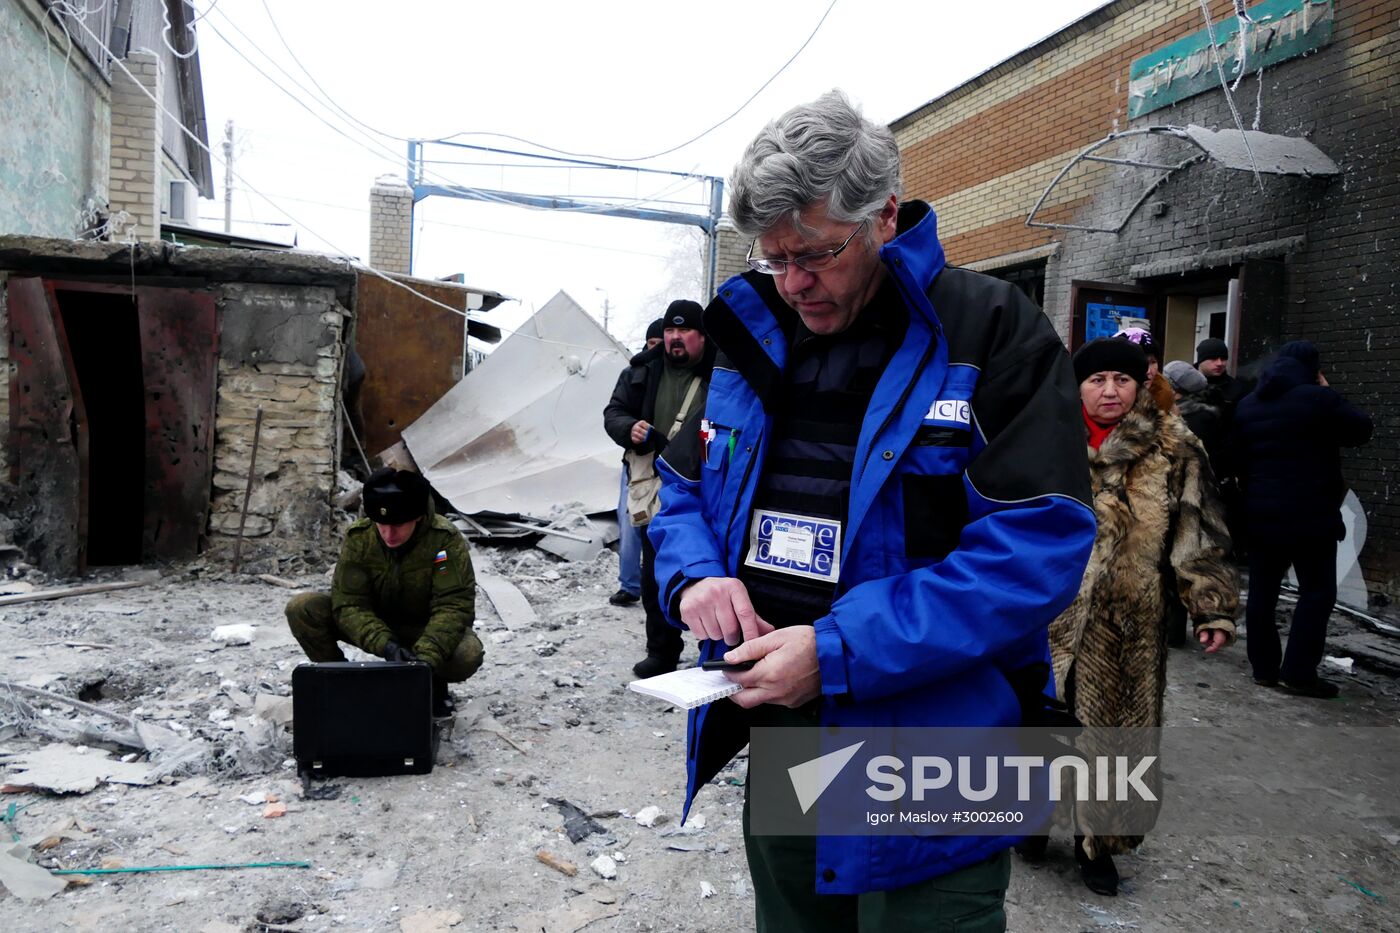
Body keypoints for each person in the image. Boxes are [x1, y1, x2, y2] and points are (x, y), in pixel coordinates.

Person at [648, 90, 1096, 931]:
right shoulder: (751, 335)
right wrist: (695, 579)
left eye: (815, 253)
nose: (792, 284)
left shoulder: (991, 333)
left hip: (938, 749)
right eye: (773, 257)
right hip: (786, 728)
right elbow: (681, 493)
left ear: (885, 215)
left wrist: (840, 648)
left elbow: (1036, 550)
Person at [1033, 338, 1237, 896]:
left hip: (1129, 620)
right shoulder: (1047, 439)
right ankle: (1030, 823)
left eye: (1121, 380)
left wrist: (1210, 605)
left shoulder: (1175, 447)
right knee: (1038, 725)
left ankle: (1098, 845)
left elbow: (1197, 531)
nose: (1109, 391)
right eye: (1096, 380)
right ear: (1077, 386)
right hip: (1047, 612)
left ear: (1140, 385)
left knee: (1118, 736)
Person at [1233, 340, 1373, 698]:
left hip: (1262, 516)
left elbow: (1237, 456)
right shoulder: (1318, 399)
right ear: (1313, 368)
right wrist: (1327, 391)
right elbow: (1361, 430)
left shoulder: (1248, 405)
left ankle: (1264, 669)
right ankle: (1298, 673)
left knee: (1263, 593)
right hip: (1312, 517)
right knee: (1317, 593)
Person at [285, 468, 483, 717]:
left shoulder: (443, 540)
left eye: (398, 525)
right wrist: (385, 645)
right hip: (377, 622)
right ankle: (339, 680)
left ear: (419, 517)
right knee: (303, 608)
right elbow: (349, 604)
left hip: (423, 627)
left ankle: (431, 682)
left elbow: (453, 606)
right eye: (382, 524)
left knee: (467, 654)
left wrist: (423, 660)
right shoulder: (360, 538)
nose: (389, 534)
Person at [603, 301, 715, 677]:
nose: (675, 338)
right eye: (669, 331)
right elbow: (614, 412)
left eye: (684, 331)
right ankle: (662, 652)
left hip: (707, 488)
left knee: (711, 572)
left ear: (702, 336)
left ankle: (714, 651)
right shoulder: (642, 370)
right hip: (654, 486)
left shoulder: (724, 370)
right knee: (655, 572)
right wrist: (628, 428)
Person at [608, 318, 667, 608]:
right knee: (631, 523)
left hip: (673, 463)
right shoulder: (633, 374)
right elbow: (614, 413)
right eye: (651, 345)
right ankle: (630, 585)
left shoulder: (681, 375)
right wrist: (630, 428)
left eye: (661, 344)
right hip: (637, 462)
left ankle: (667, 587)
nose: (655, 351)